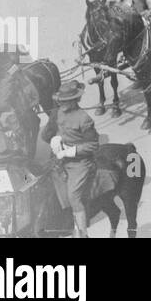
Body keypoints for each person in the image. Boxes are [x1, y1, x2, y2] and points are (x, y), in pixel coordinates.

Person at [45, 79, 99, 238]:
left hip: (80, 163)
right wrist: (56, 138)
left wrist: (70, 152)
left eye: (67, 101)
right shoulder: (60, 112)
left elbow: (93, 145)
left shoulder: (84, 118)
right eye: (61, 101)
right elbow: (60, 131)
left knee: (73, 196)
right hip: (62, 159)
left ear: (76, 100)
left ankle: (83, 233)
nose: (63, 104)